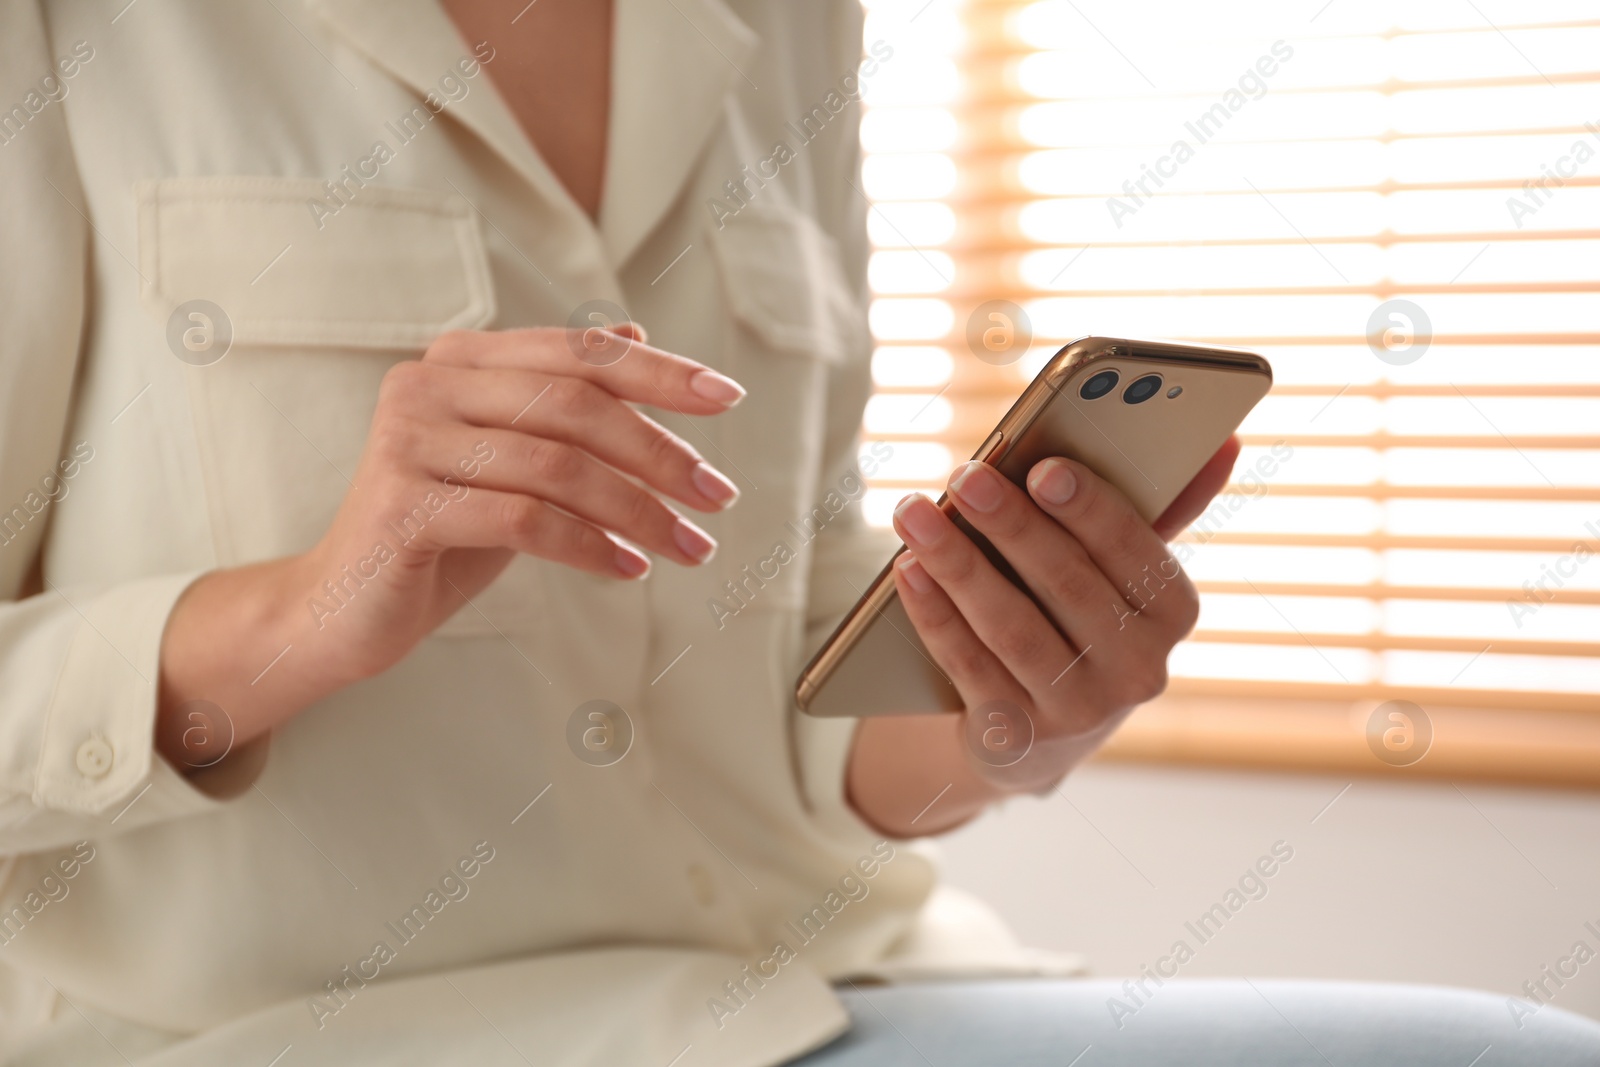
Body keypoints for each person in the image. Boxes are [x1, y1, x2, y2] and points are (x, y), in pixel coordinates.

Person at [1, 1, 1596, 1064]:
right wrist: (301, 614)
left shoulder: (786, 23)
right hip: (288, 1033)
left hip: (818, 990)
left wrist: (1009, 718)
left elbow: (790, 654)